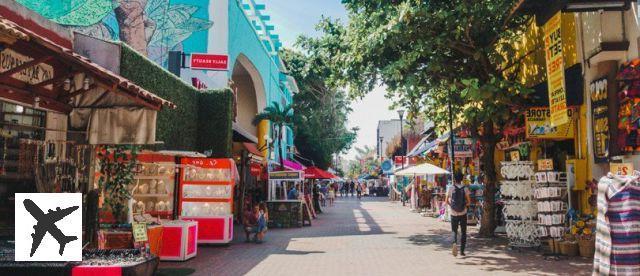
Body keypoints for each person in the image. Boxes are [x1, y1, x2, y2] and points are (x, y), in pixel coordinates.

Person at [445, 171, 471, 257]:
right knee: (463, 232)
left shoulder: (451, 188)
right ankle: (462, 251)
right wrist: (464, 206)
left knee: (454, 231)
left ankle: (454, 243)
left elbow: (446, 201)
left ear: (454, 179)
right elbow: (469, 202)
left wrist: (452, 206)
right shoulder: (465, 188)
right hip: (463, 213)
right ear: (462, 179)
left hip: (453, 213)